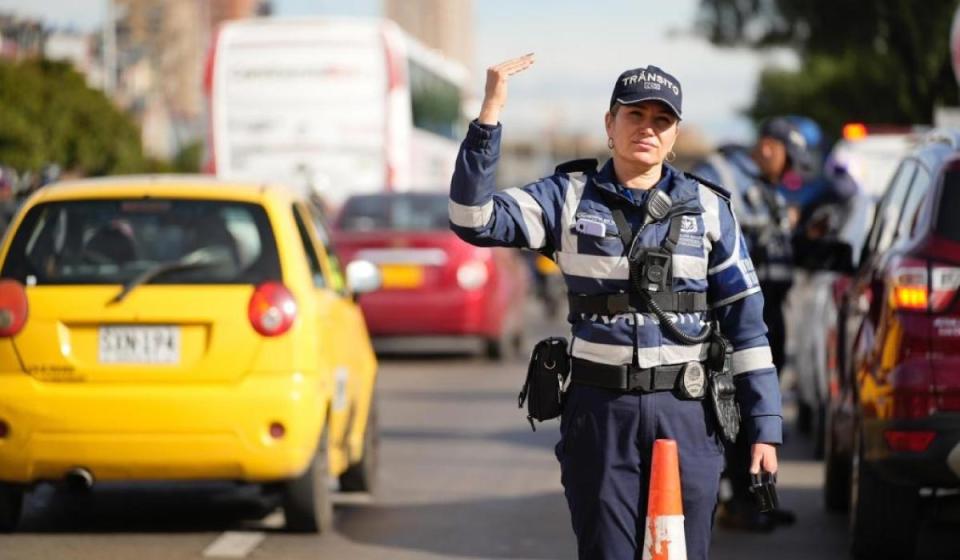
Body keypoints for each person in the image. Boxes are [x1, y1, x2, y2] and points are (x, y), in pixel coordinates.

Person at [449, 54, 782, 560]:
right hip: (601, 416)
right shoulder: (566, 197)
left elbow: (748, 329)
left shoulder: (711, 209)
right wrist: (489, 116)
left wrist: (765, 428)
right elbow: (472, 217)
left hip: (687, 414)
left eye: (661, 120)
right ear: (610, 123)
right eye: (635, 115)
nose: (647, 128)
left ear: (674, 136)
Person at [691, 117, 812, 531]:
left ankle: (758, 498)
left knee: (761, 408)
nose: (791, 170)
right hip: (732, 318)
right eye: (789, 159)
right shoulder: (718, 175)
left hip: (768, 312)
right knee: (735, 412)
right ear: (768, 147)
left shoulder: (766, 187)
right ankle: (734, 502)